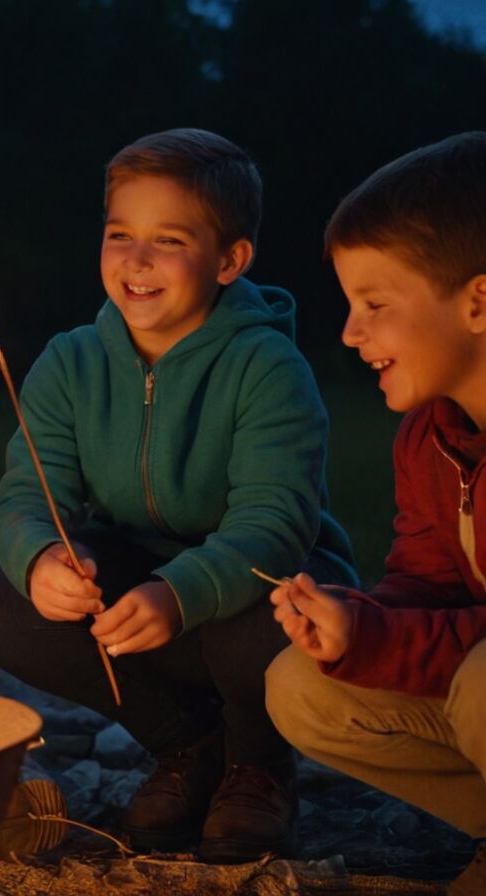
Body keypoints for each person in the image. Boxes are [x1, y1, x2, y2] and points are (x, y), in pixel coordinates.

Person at [0, 128, 357, 863]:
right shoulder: (72, 362)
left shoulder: (267, 365)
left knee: (265, 621)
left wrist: (181, 592)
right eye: (119, 234)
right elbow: (25, 494)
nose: (136, 261)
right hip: (136, 586)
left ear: (230, 260)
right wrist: (45, 554)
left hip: (252, 595)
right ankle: (190, 746)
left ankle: (256, 764)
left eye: (168, 240)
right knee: (1, 599)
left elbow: (275, 523)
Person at [265, 132, 486, 895]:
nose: (352, 332)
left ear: (478, 303)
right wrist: (350, 621)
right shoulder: (430, 437)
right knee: (303, 682)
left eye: (375, 305)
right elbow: (424, 583)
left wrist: (380, 636)